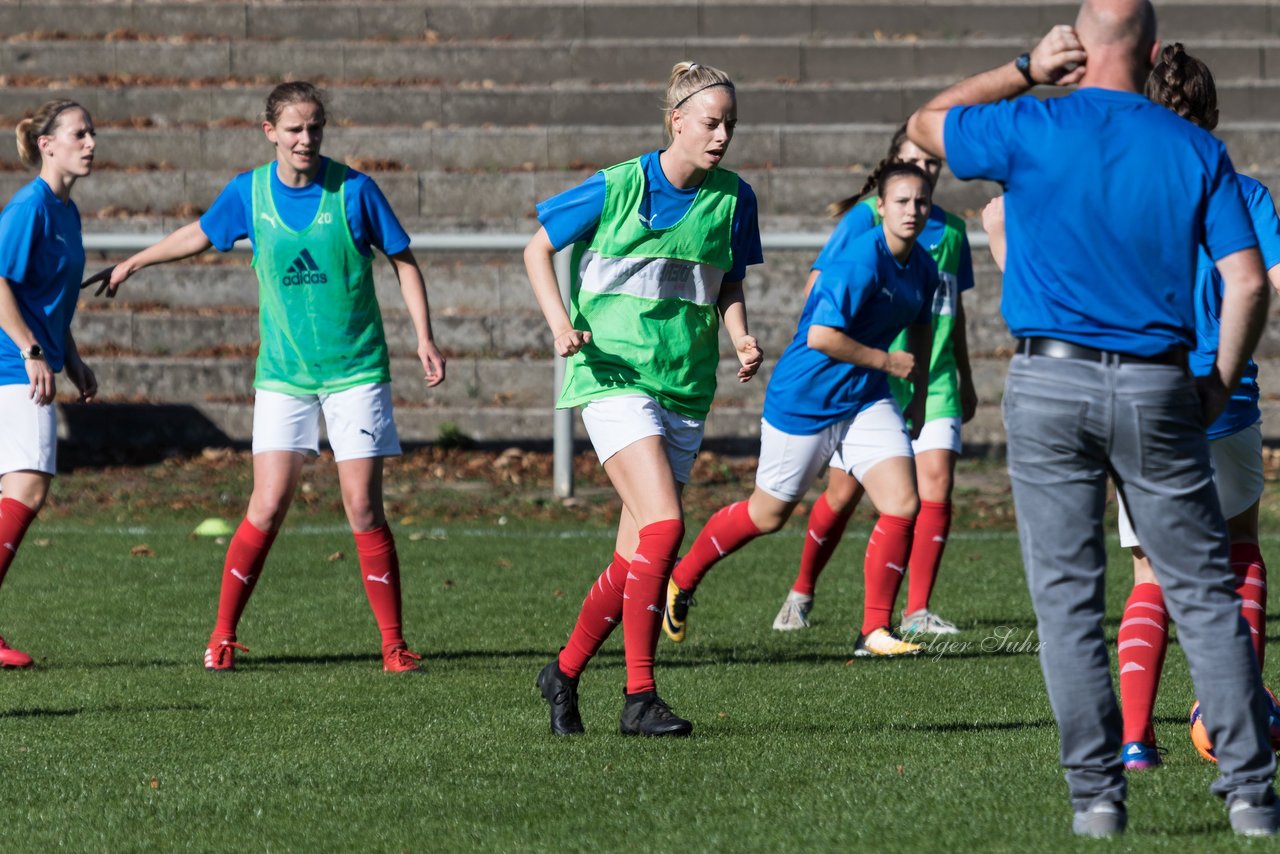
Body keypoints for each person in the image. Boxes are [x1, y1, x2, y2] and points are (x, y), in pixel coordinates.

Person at [907, 2, 1278, 837]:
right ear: (1149, 51)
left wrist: (1022, 68)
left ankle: (1098, 801)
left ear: (1077, 48)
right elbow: (1249, 284)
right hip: (1157, 385)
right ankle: (1251, 794)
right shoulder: (1193, 147)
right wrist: (1218, 384)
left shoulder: (1033, 124)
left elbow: (925, 126)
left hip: (1049, 380)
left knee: (1069, 603)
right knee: (1204, 591)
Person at [82, 82, 446, 674]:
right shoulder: (248, 192)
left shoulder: (354, 189)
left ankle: (393, 643)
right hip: (283, 376)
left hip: (355, 371)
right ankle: (222, 637)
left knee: (361, 507)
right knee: (268, 502)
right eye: (295, 129)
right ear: (269, 131)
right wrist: (133, 261)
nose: (307, 139)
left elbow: (403, 260)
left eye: (316, 128)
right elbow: (198, 234)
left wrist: (424, 337)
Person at [525, 61, 763, 737]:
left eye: (730, 125)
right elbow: (537, 249)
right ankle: (639, 698)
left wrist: (741, 338)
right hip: (611, 375)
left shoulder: (734, 198)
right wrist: (560, 325)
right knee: (665, 526)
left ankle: (564, 673)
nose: (722, 136)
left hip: (683, 384)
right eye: (711, 123)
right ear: (676, 121)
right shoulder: (619, 184)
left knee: (635, 559)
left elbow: (726, 281)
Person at [662, 162, 937, 658]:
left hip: (865, 398)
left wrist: (914, 391)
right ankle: (681, 577)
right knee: (767, 515)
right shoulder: (860, 260)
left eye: (921, 201)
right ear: (880, 207)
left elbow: (921, 326)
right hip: (805, 400)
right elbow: (821, 337)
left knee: (903, 504)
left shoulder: (924, 266)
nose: (912, 211)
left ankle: (874, 630)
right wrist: (887, 361)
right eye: (901, 201)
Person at [767, 125, 977, 637]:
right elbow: (820, 286)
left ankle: (911, 612)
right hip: (866, 374)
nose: (924, 174)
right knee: (841, 493)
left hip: (932, 372)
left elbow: (951, 310)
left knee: (932, 487)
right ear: (889, 175)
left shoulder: (949, 232)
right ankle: (801, 590)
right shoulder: (865, 224)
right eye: (914, 163)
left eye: (933, 167)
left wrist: (960, 374)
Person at [0, 100, 99, 668]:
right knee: (29, 490)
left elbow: (51, 301)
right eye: (78, 134)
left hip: (33, 360)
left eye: (92, 134)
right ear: (47, 144)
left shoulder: (68, 211)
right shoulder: (29, 206)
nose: (90, 143)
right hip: (12, 367)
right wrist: (32, 351)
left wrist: (71, 358)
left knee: (16, 495)